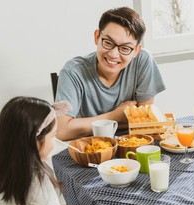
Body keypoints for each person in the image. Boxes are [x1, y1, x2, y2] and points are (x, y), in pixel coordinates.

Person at [55, 7, 166, 141]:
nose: (113, 54)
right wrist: (115, 116)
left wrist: (81, 125)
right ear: (97, 37)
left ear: (136, 51)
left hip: (130, 142)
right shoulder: (73, 72)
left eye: (125, 48)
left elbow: (144, 124)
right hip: (90, 147)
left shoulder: (142, 61)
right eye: (108, 42)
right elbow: (62, 131)